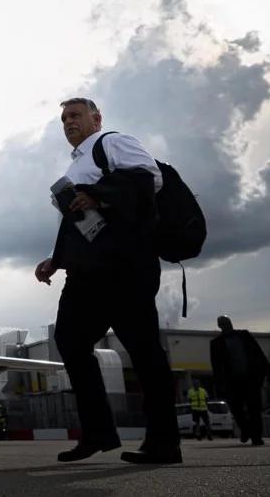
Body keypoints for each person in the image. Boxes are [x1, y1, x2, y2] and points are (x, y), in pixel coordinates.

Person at [34, 97, 181, 464]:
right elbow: (82, 223)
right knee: (69, 340)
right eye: (64, 118)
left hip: (124, 267)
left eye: (76, 115)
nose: (68, 122)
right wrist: (57, 259)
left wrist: (96, 195)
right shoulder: (77, 164)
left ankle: (164, 442)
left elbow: (149, 178)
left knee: (144, 351)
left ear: (96, 119)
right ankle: (98, 432)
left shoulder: (112, 142)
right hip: (86, 271)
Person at [210, 316, 270, 445]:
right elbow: (216, 365)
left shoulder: (244, 335)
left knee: (254, 408)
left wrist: (268, 370)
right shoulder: (216, 343)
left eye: (227, 322)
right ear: (219, 326)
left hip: (250, 378)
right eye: (223, 323)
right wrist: (219, 383)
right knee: (237, 409)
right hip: (232, 381)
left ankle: (256, 437)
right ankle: (245, 429)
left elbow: (258, 353)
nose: (226, 325)